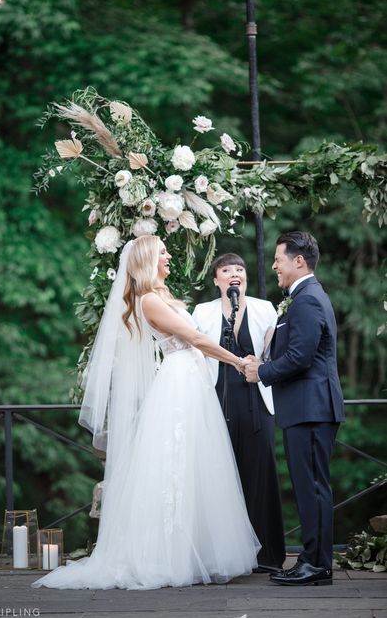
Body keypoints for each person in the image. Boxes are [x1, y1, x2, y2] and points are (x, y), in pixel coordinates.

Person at [33, 235, 260, 591]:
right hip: (178, 383)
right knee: (174, 465)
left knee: (196, 464)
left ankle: (194, 549)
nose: (169, 257)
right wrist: (239, 361)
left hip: (192, 380)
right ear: (147, 260)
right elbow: (195, 339)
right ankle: (165, 555)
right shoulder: (149, 300)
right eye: (163, 253)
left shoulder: (164, 295)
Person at [244, 232, 344, 587]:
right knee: (308, 486)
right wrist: (266, 359)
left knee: (313, 487)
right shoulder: (301, 298)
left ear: (298, 261)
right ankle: (312, 559)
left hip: (312, 408)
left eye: (278, 259)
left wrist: (262, 373)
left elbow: (302, 357)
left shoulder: (307, 299)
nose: (274, 266)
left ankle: (316, 564)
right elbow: (298, 350)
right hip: (305, 408)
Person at [192, 253, 286, 572]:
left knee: (260, 475)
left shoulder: (265, 308)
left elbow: (275, 354)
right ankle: (223, 555)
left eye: (240, 269)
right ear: (216, 280)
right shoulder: (201, 312)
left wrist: (261, 366)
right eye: (226, 270)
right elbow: (195, 355)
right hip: (216, 400)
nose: (235, 273)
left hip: (256, 400)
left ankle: (268, 555)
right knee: (219, 477)